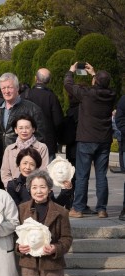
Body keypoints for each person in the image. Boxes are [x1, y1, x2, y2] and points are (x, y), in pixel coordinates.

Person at [64, 63, 116, 219]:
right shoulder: (111, 94)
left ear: (95, 82)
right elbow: (101, 86)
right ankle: (102, 209)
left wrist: (71, 71)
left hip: (86, 139)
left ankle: (78, 208)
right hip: (104, 139)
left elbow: (68, 85)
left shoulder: (87, 94)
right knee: (101, 175)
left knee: (82, 175)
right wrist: (94, 74)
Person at [17, 170, 72, 276]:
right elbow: (16, 235)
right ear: (29, 190)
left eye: (43, 187)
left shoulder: (61, 212)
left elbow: (67, 238)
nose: (39, 191)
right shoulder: (22, 209)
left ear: (49, 189)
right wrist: (18, 247)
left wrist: (55, 248)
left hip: (52, 264)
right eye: (34, 187)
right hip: (29, 264)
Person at [0, 72, 47, 168]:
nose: (6, 91)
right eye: (3, 88)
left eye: (9, 87)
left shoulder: (33, 109)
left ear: (17, 88)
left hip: (23, 161)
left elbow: (40, 137)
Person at [6, 148, 73, 208]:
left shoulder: (44, 183)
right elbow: (16, 209)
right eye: (25, 163)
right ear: (19, 165)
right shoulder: (13, 186)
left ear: (37, 167)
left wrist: (66, 190)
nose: (27, 167)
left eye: (32, 164)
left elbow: (56, 206)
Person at [21, 68, 63, 161]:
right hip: (48, 140)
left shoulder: (25, 95)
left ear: (35, 78)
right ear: (49, 80)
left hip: (27, 138)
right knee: (47, 171)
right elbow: (58, 120)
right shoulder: (51, 96)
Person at [0, 114, 49, 188]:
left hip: (34, 190)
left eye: (27, 128)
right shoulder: (9, 149)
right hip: (14, 190)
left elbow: (43, 171)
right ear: (16, 130)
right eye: (20, 128)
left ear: (33, 129)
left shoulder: (41, 148)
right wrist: (11, 188)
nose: (24, 131)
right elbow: (5, 172)